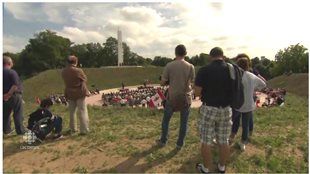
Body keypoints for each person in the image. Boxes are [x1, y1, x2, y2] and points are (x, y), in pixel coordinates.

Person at [194, 47, 232, 173]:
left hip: (209, 108)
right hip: (226, 108)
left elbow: (197, 92)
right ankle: (222, 167)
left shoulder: (204, 70)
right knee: (223, 140)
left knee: (206, 140)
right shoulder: (231, 69)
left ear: (210, 57)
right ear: (223, 56)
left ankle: (206, 168)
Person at [158, 44, 195, 150]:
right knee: (184, 122)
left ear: (175, 53)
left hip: (172, 96)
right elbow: (192, 82)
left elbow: (162, 83)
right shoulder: (191, 66)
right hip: (185, 97)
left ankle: (163, 140)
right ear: (186, 53)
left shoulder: (169, 65)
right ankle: (180, 143)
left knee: (166, 120)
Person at [230, 58, 266, 151]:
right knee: (245, 125)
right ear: (248, 66)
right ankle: (243, 143)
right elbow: (263, 84)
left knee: (234, 122)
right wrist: (254, 89)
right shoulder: (252, 76)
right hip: (249, 104)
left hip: (237, 104)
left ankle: (231, 137)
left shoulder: (236, 76)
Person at [62, 55, 90, 135]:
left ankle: (73, 128)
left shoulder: (64, 71)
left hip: (70, 92)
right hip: (79, 92)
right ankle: (84, 130)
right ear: (76, 62)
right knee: (82, 111)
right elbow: (85, 79)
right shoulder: (78, 70)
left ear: (67, 62)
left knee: (72, 112)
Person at [3, 55, 25, 135]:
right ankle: (20, 130)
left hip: (3, 96)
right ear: (8, 63)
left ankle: (6, 130)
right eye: (12, 61)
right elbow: (15, 85)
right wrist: (9, 94)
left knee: (5, 114)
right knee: (18, 113)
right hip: (14, 95)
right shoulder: (12, 72)